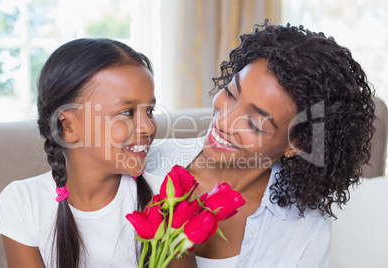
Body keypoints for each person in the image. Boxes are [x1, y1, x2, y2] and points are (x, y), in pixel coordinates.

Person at [146, 20, 375, 267]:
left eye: (254, 123)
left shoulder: (305, 230)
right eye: (231, 93)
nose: (224, 121)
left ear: (296, 144)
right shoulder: (145, 168)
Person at [0, 38, 161, 268]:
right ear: (68, 126)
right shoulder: (23, 202)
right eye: (127, 112)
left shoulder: (166, 198)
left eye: (150, 111)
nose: (148, 127)